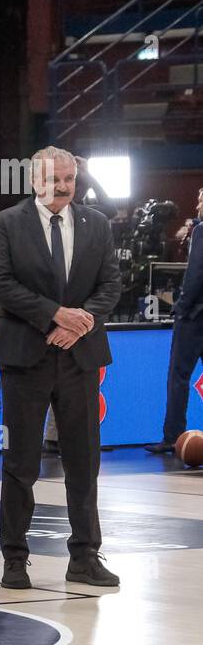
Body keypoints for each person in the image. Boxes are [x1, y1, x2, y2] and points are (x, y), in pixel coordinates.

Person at [0, 146, 122, 590]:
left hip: (79, 357)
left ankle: (85, 556)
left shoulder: (97, 224)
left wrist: (81, 322)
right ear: (33, 181)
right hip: (26, 355)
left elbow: (110, 285)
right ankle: (14, 559)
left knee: (84, 462)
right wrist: (54, 314)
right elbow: (0, 284)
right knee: (21, 462)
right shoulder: (8, 223)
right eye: (54, 179)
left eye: (69, 178)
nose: (63, 186)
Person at [147, 188, 203, 455]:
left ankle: (173, 436)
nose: (198, 203)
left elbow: (195, 274)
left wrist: (180, 307)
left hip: (194, 317)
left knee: (178, 376)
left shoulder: (201, 231)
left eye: (202, 200)